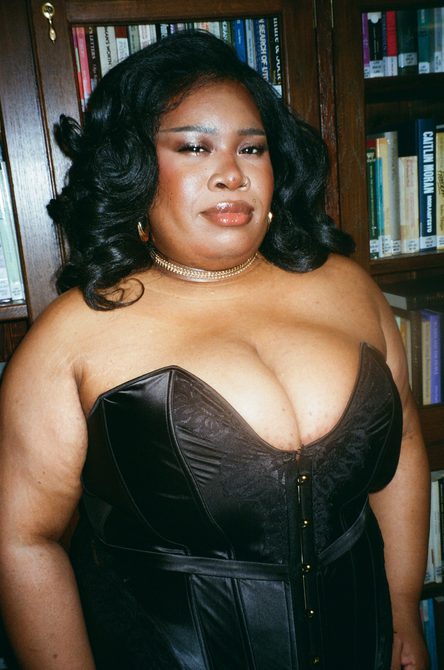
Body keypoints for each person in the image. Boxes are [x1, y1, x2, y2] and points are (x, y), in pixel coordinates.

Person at [0, 30, 430, 670]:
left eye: (251, 148)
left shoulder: (348, 287)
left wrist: (402, 607)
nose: (232, 173)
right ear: (136, 169)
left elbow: (404, 447)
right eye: (194, 147)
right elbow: (23, 541)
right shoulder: (70, 339)